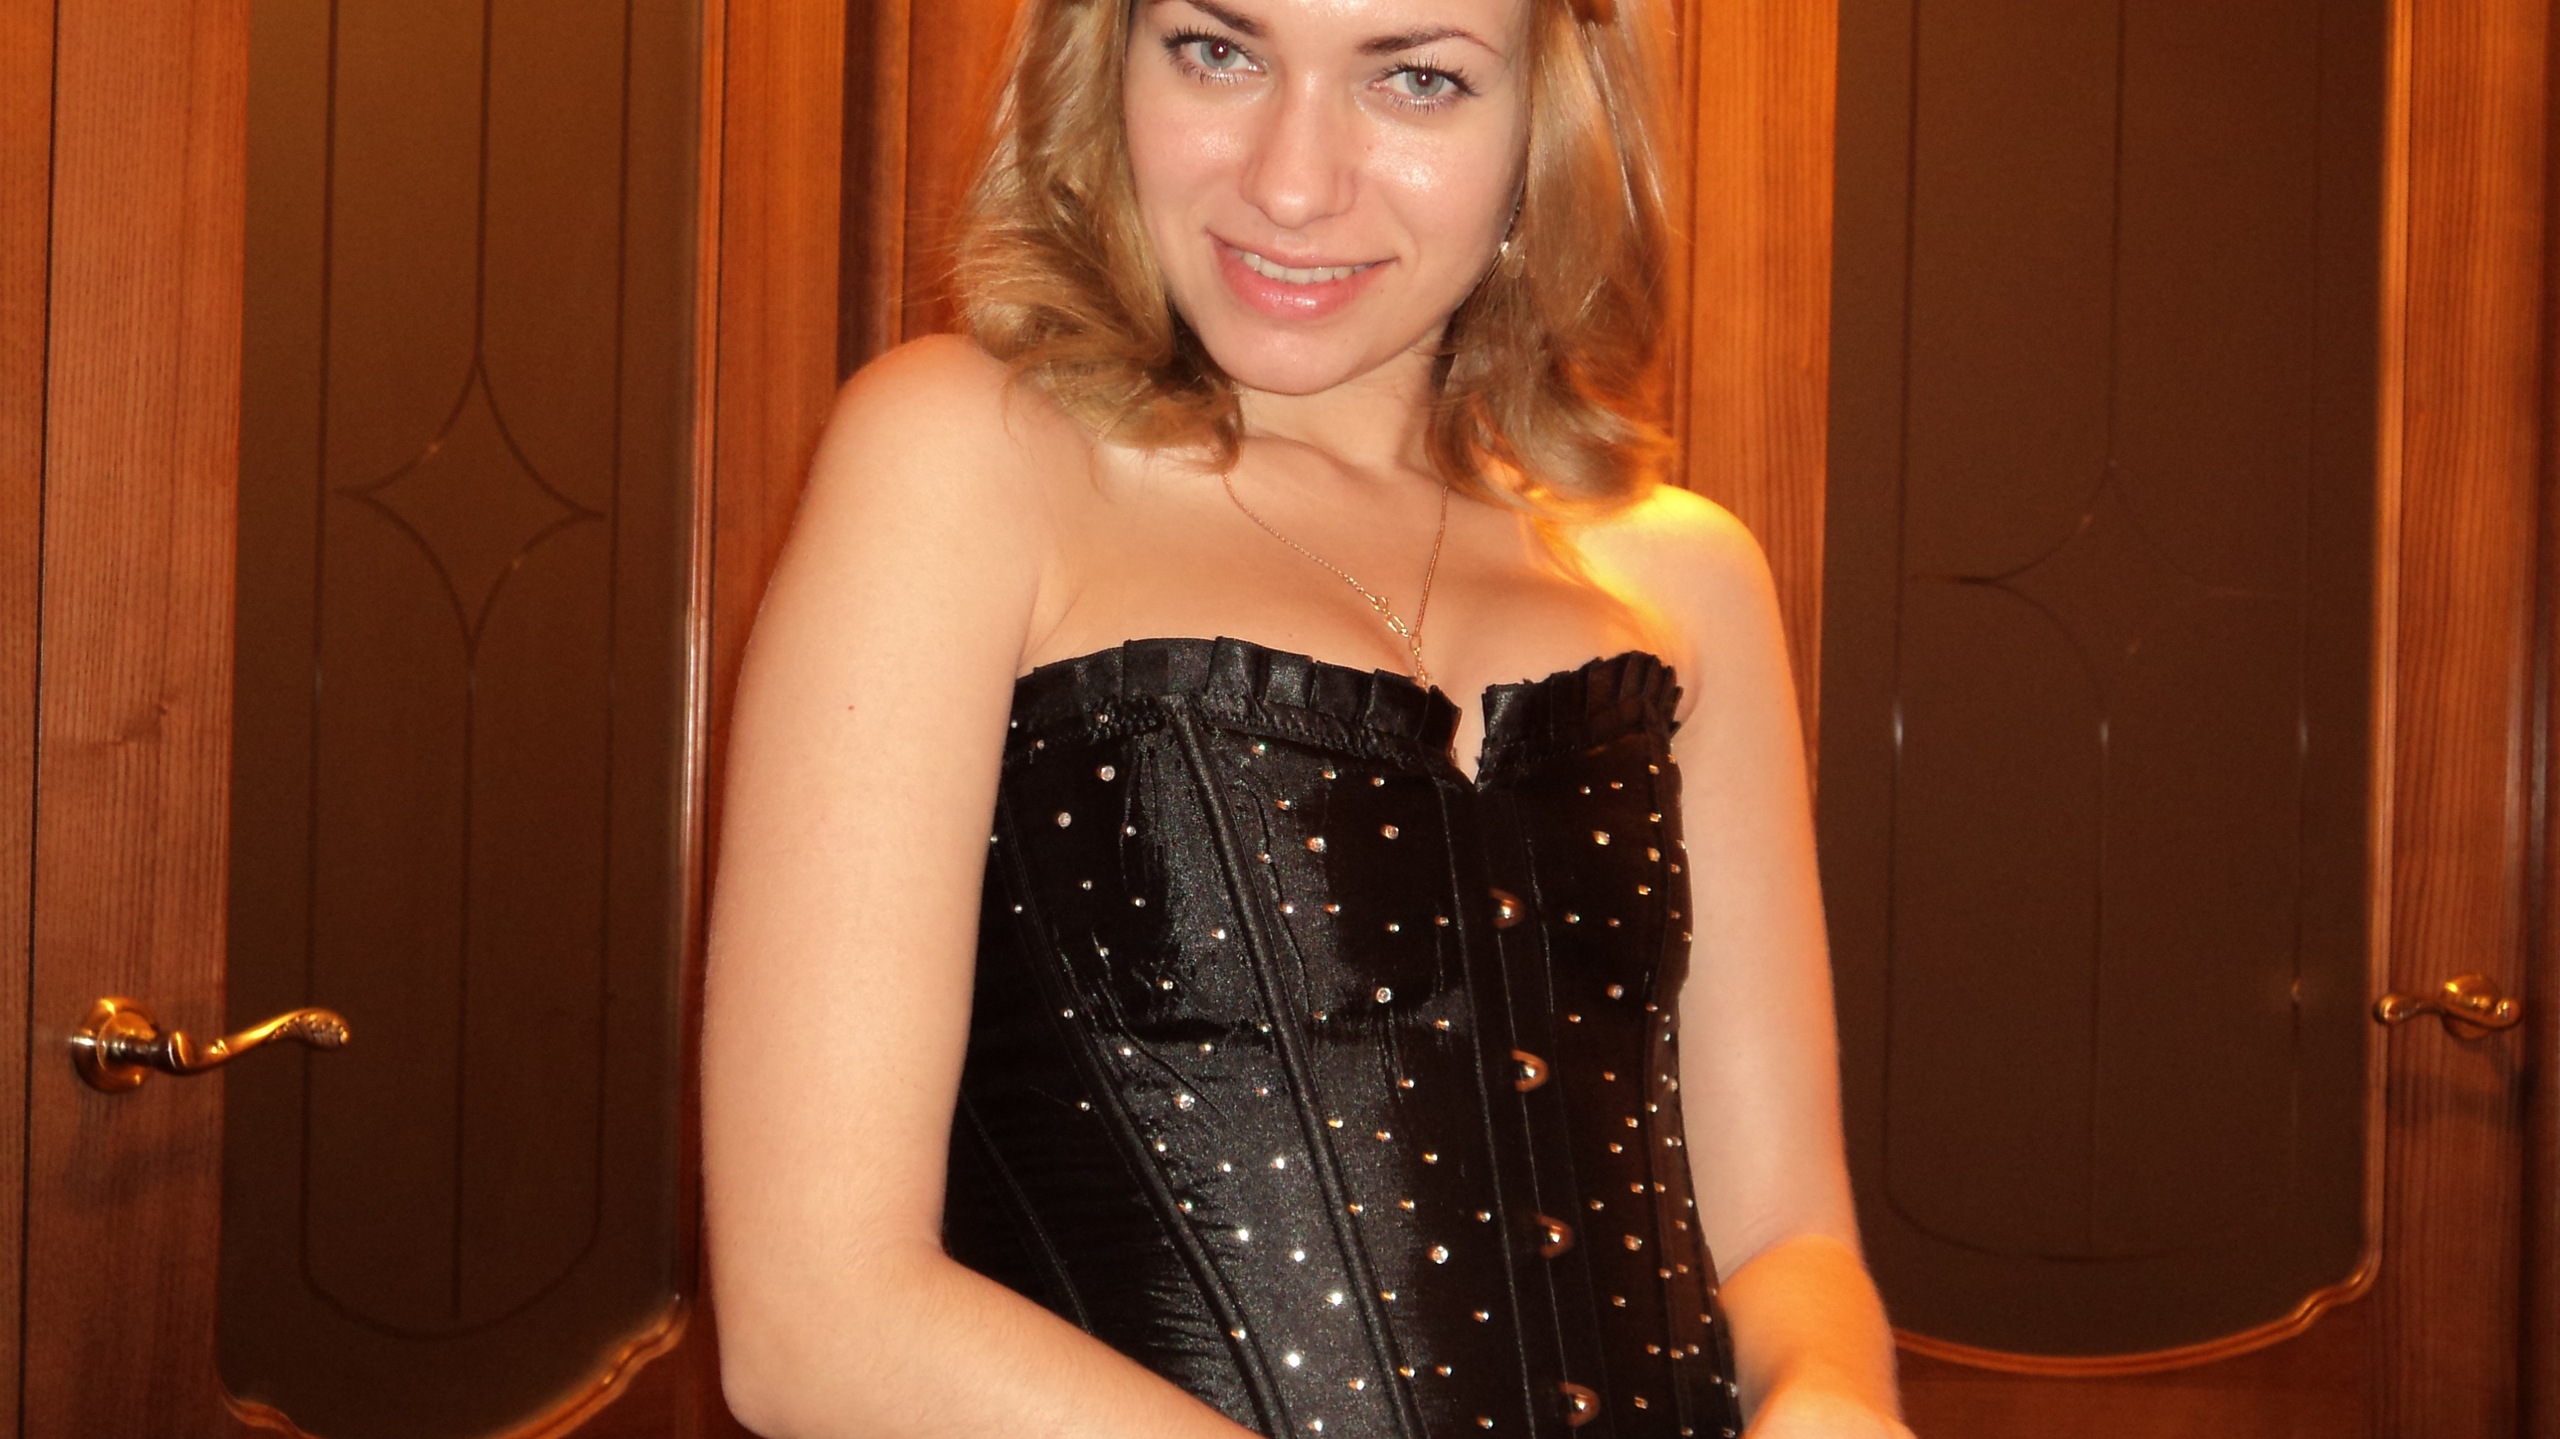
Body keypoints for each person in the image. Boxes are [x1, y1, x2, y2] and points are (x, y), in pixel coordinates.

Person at [702, 0, 1912, 1434]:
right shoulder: (966, 456)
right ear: (1106, 58)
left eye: (1417, 79)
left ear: (1553, 110)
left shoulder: (1686, 576)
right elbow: (815, 1317)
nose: (1290, 182)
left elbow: (1783, 1239)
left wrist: (1835, 1398)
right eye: (1219, 51)